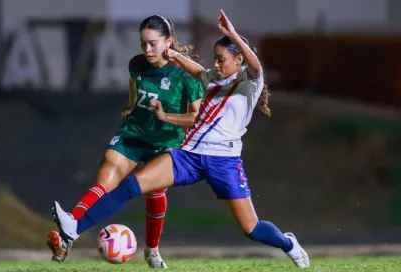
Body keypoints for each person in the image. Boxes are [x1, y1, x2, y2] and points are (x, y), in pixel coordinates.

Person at [51, 9, 309, 269]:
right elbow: (198, 71)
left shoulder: (250, 82)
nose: (216, 64)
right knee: (131, 186)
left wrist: (232, 34)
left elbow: (255, 65)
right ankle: (74, 228)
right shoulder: (213, 79)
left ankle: (288, 244)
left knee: (251, 228)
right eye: (214, 59)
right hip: (189, 155)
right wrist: (173, 55)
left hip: (224, 162)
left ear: (239, 58)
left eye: (221, 59)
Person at [46, 15, 204, 268]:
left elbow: (197, 117)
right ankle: (69, 230)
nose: (147, 49)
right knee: (105, 179)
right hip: (133, 135)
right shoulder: (137, 64)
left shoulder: (186, 74)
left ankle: (152, 251)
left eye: (153, 43)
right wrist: (131, 106)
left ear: (169, 42)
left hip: (165, 142)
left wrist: (165, 116)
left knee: (154, 191)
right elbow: (135, 83)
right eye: (143, 43)